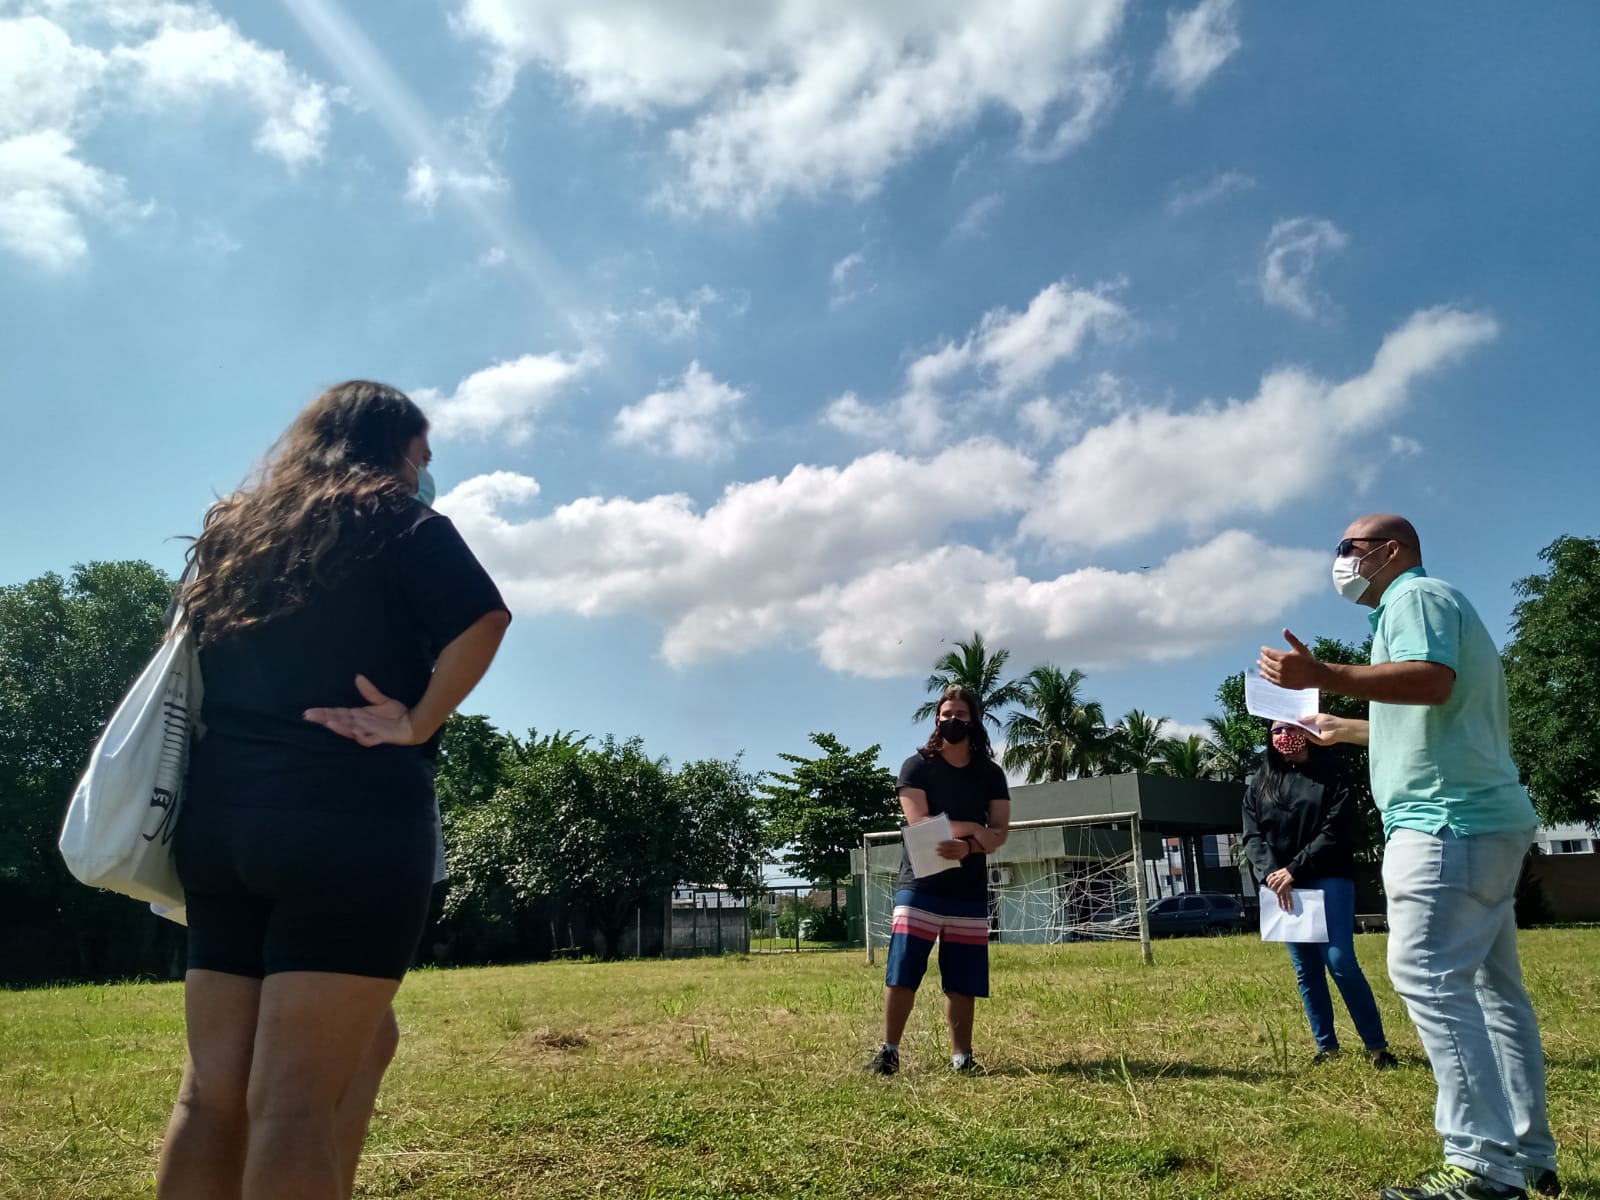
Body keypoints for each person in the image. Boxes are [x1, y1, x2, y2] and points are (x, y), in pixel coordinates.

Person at [157, 381, 511, 1200]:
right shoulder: (401, 518)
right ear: (392, 449)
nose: (424, 473)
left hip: (220, 827)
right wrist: (418, 720)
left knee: (210, 1096)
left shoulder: (236, 534)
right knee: (293, 1111)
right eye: (421, 457)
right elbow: (483, 619)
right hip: (346, 824)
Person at [1259, 514, 1557, 1200]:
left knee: (1425, 973)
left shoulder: (1415, 599)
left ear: (1391, 552)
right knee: (1494, 992)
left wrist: (1324, 671)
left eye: (1348, 549)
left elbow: (1431, 681)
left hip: (1444, 823)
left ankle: (1482, 1164)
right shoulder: (1433, 605)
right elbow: (1427, 709)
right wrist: (1341, 726)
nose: (1338, 561)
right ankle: (1528, 1151)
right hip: (1485, 820)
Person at [865, 686, 1011, 1076]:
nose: (951, 720)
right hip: (920, 886)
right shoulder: (917, 767)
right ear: (936, 719)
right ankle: (889, 1052)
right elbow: (921, 825)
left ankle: (963, 1058)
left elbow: (1000, 834)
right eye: (945, 714)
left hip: (967, 890)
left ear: (973, 720)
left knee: (962, 980)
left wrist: (969, 849)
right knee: (903, 970)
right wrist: (974, 829)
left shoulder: (990, 774)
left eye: (960, 714)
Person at [1241, 722, 1396, 1069]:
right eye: (1275, 730)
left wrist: (1294, 867)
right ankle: (1327, 1047)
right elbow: (1252, 835)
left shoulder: (1334, 774)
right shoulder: (1261, 780)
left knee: (1340, 961)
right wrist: (1271, 872)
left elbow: (1336, 830)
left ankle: (1377, 1047)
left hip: (1328, 876)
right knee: (1306, 969)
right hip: (1283, 887)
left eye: (1289, 729)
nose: (1282, 736)